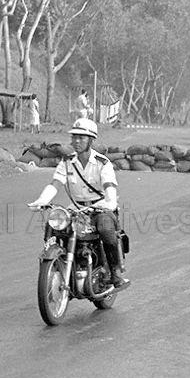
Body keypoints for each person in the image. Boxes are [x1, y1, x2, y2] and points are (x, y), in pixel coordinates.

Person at [27, 117, 129, 290]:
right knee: (53, 226)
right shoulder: (66, 162)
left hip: (100, 207)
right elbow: (55, 184)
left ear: (91, 140)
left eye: (81, 137)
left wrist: (110, 202)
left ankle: (114, 272)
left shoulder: (102, 163)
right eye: (74, 137)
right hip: (77, 209)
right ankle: (52, 266)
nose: (76, 141)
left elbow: (109, 187)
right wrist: (42, 201)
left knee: (105, 229)